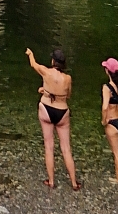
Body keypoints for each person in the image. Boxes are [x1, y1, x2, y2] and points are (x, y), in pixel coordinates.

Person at [26, 46, 80, 191]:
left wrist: (30, 54)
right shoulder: (68, 78)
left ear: (53, 61)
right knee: (66, 148)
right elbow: (67, 95)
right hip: (62, 111)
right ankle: (74, 183)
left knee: (49, 146)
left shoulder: (46, 72)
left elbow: (33, 64)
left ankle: (51, 181)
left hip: (46, 109)